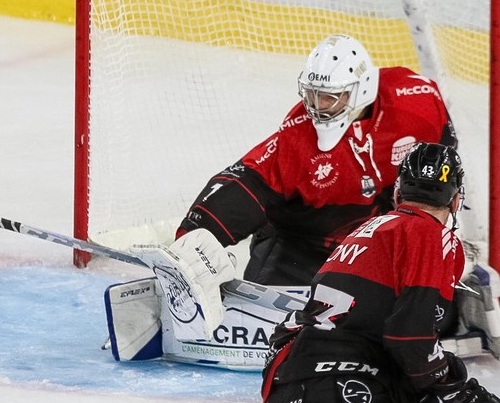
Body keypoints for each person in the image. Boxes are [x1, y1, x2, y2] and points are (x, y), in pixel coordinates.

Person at [176, 33, 457, 286]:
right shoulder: (298, 135)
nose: (317, 107)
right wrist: (191, 245)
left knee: (423, 309)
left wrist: (432, 236)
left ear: (363, 90)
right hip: (300, 247)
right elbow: (249, 183)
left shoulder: (415, 101)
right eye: (312, 95)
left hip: (377, 247)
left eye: (330, 98)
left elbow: (444, 159)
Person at [261, 142, 500, 403]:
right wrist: (446, 382)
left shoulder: (369, 229)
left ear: (398, 194)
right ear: (455, 201)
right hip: (345, 381)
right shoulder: (434, 236)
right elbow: (409, 336)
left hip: (290, 375)